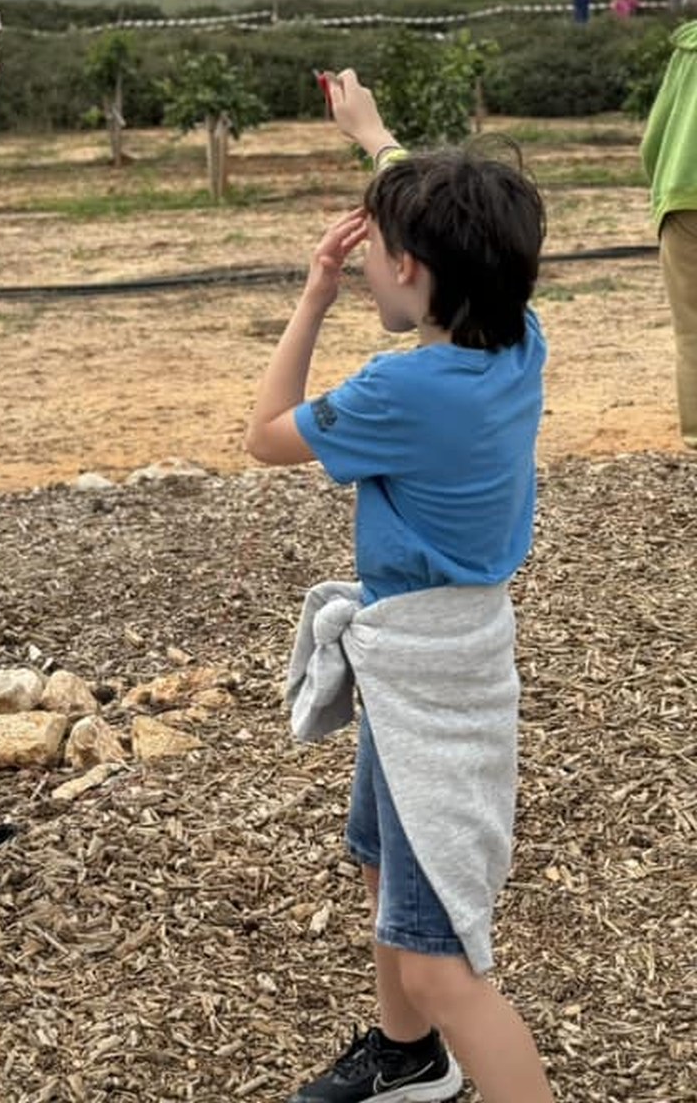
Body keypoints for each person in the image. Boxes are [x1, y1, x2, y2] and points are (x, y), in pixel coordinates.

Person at [246, 70, 553, 1103]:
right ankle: (406, 1056)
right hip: (425, 648)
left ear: (411, 271)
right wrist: (374, 138)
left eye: (373, 252)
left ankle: (438, 1038)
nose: (363, 262)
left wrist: (312, 297)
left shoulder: (402, 389)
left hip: (430, 669)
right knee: (385, 865)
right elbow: (448, 215)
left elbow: (265, 435)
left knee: (443, 963)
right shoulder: (518, 341)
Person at [641, 16, 697, 449]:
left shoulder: (690, 47)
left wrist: (662, 191)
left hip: (683, 202)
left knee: (693, 331)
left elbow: (653, 140)